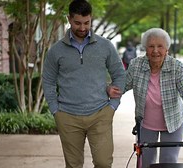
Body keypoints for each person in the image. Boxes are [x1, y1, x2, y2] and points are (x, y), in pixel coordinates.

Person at [108, 28, 183, 168]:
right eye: (151, 46)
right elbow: (122, 86)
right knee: (146, 162)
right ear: (146, 48)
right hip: (146, 123)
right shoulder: (136, 65)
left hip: (172, 123)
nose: (155, 50)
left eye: (160, 46)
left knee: (168, 163)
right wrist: (109, 89)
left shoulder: (176, 67)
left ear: (167, 49)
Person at [42, 0, 125, 167]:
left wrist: (113, 106)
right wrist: (55, 110)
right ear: (69, 19)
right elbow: (48, 80)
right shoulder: (56, 50)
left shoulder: (105, 46)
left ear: (91, 19)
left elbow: (119, 74)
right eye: (77, 23)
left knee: (103, 163)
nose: (82, 28)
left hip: (100, 114)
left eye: (86, 23)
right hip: (67, 115)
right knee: (73, 165)